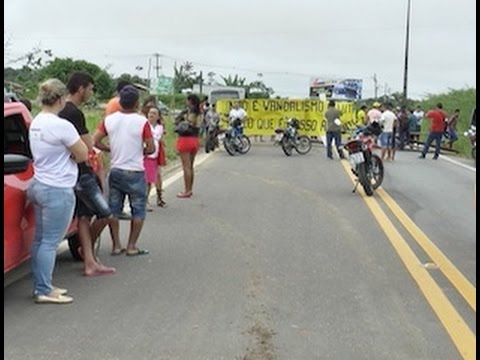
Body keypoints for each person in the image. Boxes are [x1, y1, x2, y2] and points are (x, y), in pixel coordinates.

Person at [28, 79, 88, 304]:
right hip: (58, 188)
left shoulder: (36, 121)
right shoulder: (62, 125)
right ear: (62, 99)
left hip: (38, 183)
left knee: (41, 239)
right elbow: (82, 154)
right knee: (51, 242)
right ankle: (44, 289)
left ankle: (41, 284)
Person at [58, 72, 116, 277]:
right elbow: (89, 144)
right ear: (81, 88)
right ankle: (87, 251)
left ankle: (89, 262)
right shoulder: (74, 113)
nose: (91, 92)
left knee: (84, 217)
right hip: (82, 172)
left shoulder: (60, 111)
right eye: (90, 88)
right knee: (106, 213)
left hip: (69, 171)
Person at [93, 85, 155, 256]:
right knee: (138, 209)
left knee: (113, 209)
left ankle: (116, 245)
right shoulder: (142, 122)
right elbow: (151, 148)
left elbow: (95, 140)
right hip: (135, 171)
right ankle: (132, 246)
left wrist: (109, 149)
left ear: (120, 102)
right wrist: (139, 150)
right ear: (137, 103)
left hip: (116, 170)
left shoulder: (109, 120)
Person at [174, 94, 203, 198]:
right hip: (195, 139)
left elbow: (181, 123)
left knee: (186, 167)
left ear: (190, 101)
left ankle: (186, 190)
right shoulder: (199, 113)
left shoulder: (188, 113)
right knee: (190, 166)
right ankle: (190, 189)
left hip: (185, 140)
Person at [143, 105, 165, 211]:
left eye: (154, 113)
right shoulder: (144, 124)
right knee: (145, 180)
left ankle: (148, 200)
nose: (151, 115)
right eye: (150, 112)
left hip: (153, 156)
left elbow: (157, 137)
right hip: (145, 155)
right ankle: (144, 201)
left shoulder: (159, 128)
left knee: (150, 180)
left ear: (158, 117)